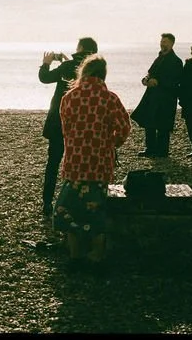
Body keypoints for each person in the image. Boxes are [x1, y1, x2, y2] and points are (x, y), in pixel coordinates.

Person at [52, 54, 132, 268]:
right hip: (99, 163)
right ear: (103, 74)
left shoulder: (69, 97)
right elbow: (124, 127)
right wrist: (112, 143)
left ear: (84, 72)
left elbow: (66, 130)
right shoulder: (109, 98)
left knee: (71, 208)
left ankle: (75, 254)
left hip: (75, 161)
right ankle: (96, 255)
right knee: (95, 210)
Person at [38, 37, 98, 218]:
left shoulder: (67, 66)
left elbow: (45, 78)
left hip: (60, 120)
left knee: (54, 162)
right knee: (80, 162)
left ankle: (47, 202)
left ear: (79, 48)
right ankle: (77, 200)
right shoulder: (96, 69)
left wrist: (46, 63)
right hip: (83, 122)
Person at [131, 33, 184, 158]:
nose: (162, 44)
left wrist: (158, 82)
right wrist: (146, 79)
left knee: (163, 125)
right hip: (152, 95)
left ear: (171, 44)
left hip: (166, 97)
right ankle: (150, 148)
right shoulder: (159, 58)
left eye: (165, 42)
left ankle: (162, 151)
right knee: (149, 122)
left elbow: (176, 80)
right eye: (161, 41)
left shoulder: (176, 61)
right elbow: (150, 73)